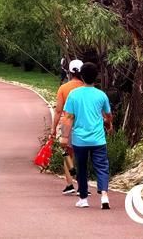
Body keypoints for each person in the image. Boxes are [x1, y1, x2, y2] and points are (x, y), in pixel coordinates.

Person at [59, 62, 113, 210]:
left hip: (80, 140)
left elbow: (68, 118)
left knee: (81, 168)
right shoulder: (101, 95)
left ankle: (83, 198)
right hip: (98, 139)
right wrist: (109, 125)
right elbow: (108, 115)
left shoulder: (74, 95)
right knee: (102, 167)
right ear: (96, 77)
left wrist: (64, 137)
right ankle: (104, 196)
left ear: (81, 76)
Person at [52, 59, 84, 195]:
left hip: (67, 125)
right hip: (83, 124)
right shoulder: (87, 87)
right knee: (81, 154)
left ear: (69, 72)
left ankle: (70, 183)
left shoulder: (63, 88)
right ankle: (82, 184)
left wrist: (53, 128)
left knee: (67, 153)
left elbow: (58, 110)